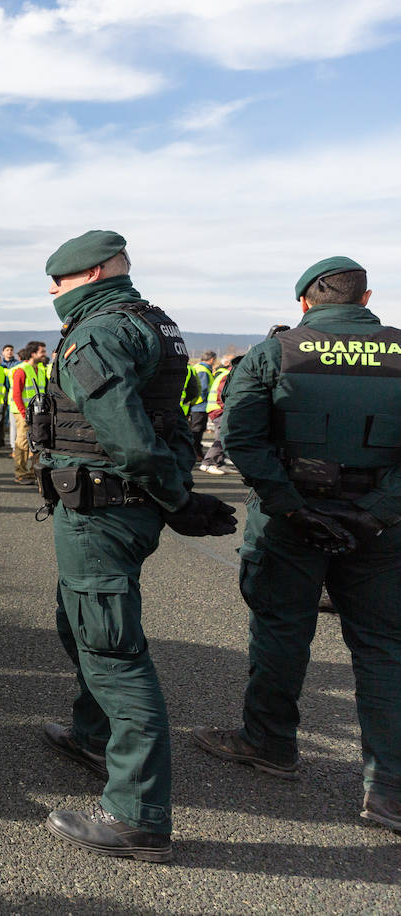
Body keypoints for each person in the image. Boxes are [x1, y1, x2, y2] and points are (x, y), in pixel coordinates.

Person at [34, 229, 236, 863]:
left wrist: (176, 499)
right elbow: (164, 418)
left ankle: (137, 816)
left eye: (60, 281)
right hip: (114, 508)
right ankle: (92, 737)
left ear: (93, 274)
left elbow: (127, 435)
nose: (52, 291)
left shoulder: (97, 332)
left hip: (104, 510)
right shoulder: (154, 322)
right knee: (78, 624)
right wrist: (173, 497)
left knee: (113, 652)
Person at [192, 256, 401, 835]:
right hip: (382, 530)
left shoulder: (276, 352)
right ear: (365, 299)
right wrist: (374, 515)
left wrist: (290, 506)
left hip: (289, 523)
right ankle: (388, 791)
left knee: (282, 630)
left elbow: (241, 436)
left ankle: (269, 743)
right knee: (385, 648)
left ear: (306, 301)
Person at [9, 341, 47, 485]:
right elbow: (17, 395)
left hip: (38, 412)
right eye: (42, 352)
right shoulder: (21, 370)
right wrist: (25, 414)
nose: (45, 354)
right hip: (23, 412)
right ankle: (20, 473)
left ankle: (33, 472)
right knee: (23, 443)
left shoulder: (41, 369)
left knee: (38, 442)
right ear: (33, 354)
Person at [187, 351, 215, 459]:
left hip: (195, 404)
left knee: (195, 429)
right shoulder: (204, 370)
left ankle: (196, 451)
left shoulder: (198, 367)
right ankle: (195, 452)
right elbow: (202, 389)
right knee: (198, 430)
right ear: (212, 359)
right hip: (200, 405)